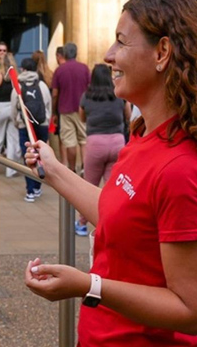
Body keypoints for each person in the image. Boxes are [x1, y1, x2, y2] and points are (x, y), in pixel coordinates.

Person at [23, 0, 197, 346]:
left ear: (162, 53)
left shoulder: (183, 168)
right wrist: (55, 170)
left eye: (121, 42)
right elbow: (119, 214)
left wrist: (88, 285)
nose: (109, 55)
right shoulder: (143, 137)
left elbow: (191, 310)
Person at [74, 64, 131, 237]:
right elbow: (127, 115)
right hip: (117, 142)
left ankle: (82, 223)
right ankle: (115, 220)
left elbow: (82, 117)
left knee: (89, 184)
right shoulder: (119, 94)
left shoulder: (87, 96)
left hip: (95, 143)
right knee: (114, 187)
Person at [11, 57, 52, 202]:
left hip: (24, 126)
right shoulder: (42, 85)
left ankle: (30, 191)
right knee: (40, 156)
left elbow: (14, 110)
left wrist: (18, 123)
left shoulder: (18, 86)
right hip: (42, 124)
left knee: (28, 157)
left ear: (22, 69)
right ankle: (38, 186)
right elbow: (48, 106)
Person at [51, 42, 91, 172]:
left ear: (65, 54)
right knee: (84, 139)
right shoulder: (84, 68)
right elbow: (90, 88)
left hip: (65, 109)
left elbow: (55, 94)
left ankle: (72, 168)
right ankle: (85, 167)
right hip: (82, 109)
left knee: (70, 142)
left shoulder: (59, 70)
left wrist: (54, 112)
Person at [0, 52, 21, 178]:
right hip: (12, 107)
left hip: (0, 106)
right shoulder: (16, 76)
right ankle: (11, 170)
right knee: (13, 139)